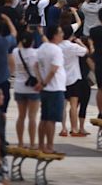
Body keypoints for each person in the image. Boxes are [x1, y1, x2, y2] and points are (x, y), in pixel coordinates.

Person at [35, 25, 66, 154]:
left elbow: (35, 65)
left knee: (44, 117)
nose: (62, 34)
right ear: (55, 35)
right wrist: (45, 82)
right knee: (51, 119)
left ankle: (41, 144)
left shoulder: (42, 48)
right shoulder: (56, 50)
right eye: (60, 32)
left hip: (45, 88)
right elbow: (54, 70)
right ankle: (50, 145)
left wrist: (40, 81)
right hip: (55, 87)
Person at [12, 31, 40, 148]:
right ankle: (33, 143)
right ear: (32, 42)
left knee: (21, 116)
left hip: (19, 87)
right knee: (32, 117)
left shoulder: (15, 52)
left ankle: (20, 142)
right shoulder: (35, 53)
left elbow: (19, 47)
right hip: (33, 88)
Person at [59, 25, 87, 136]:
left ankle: (63, 128)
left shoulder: (58, 46)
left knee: (63, 105)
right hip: (74, 78)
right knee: (74, 105)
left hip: (61, 78)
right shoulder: (73, 46)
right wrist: (79, 42)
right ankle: (74, 129)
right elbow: (85, 51)